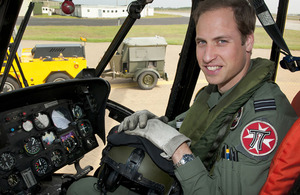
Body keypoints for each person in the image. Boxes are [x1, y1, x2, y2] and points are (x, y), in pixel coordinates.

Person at [67, 0, 298, 194]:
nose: (207, 57)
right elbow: (187, 124)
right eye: (201, 42)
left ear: (248, 41)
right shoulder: (218, 92)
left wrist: (178, 151)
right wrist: (156, 123)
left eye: (221, 41)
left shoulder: (262, 118)